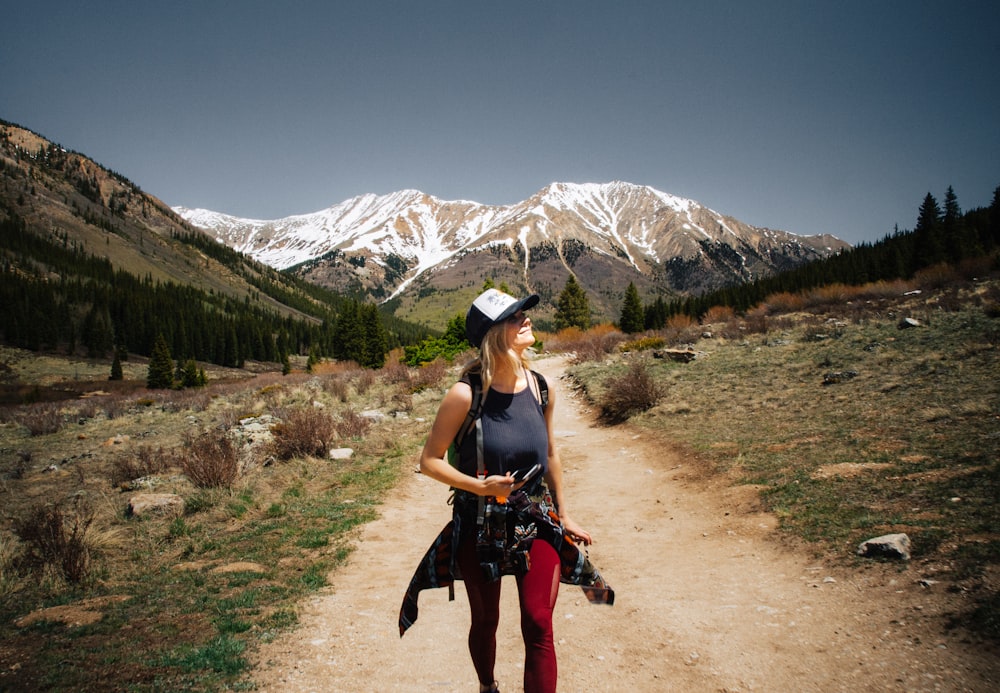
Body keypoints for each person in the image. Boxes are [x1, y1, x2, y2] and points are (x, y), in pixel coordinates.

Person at [399, 288, 613, 693]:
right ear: (493, 333)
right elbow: (429, 460)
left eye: (524, 314)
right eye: (515, 317)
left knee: (538, 621)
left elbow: (550, 452)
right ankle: (487, 686)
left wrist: (564, 514)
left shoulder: (540, 387)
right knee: (486, 622)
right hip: (479, 524)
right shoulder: (466, 394)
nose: (526, 320)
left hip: (536, 519)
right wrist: (479, 486)